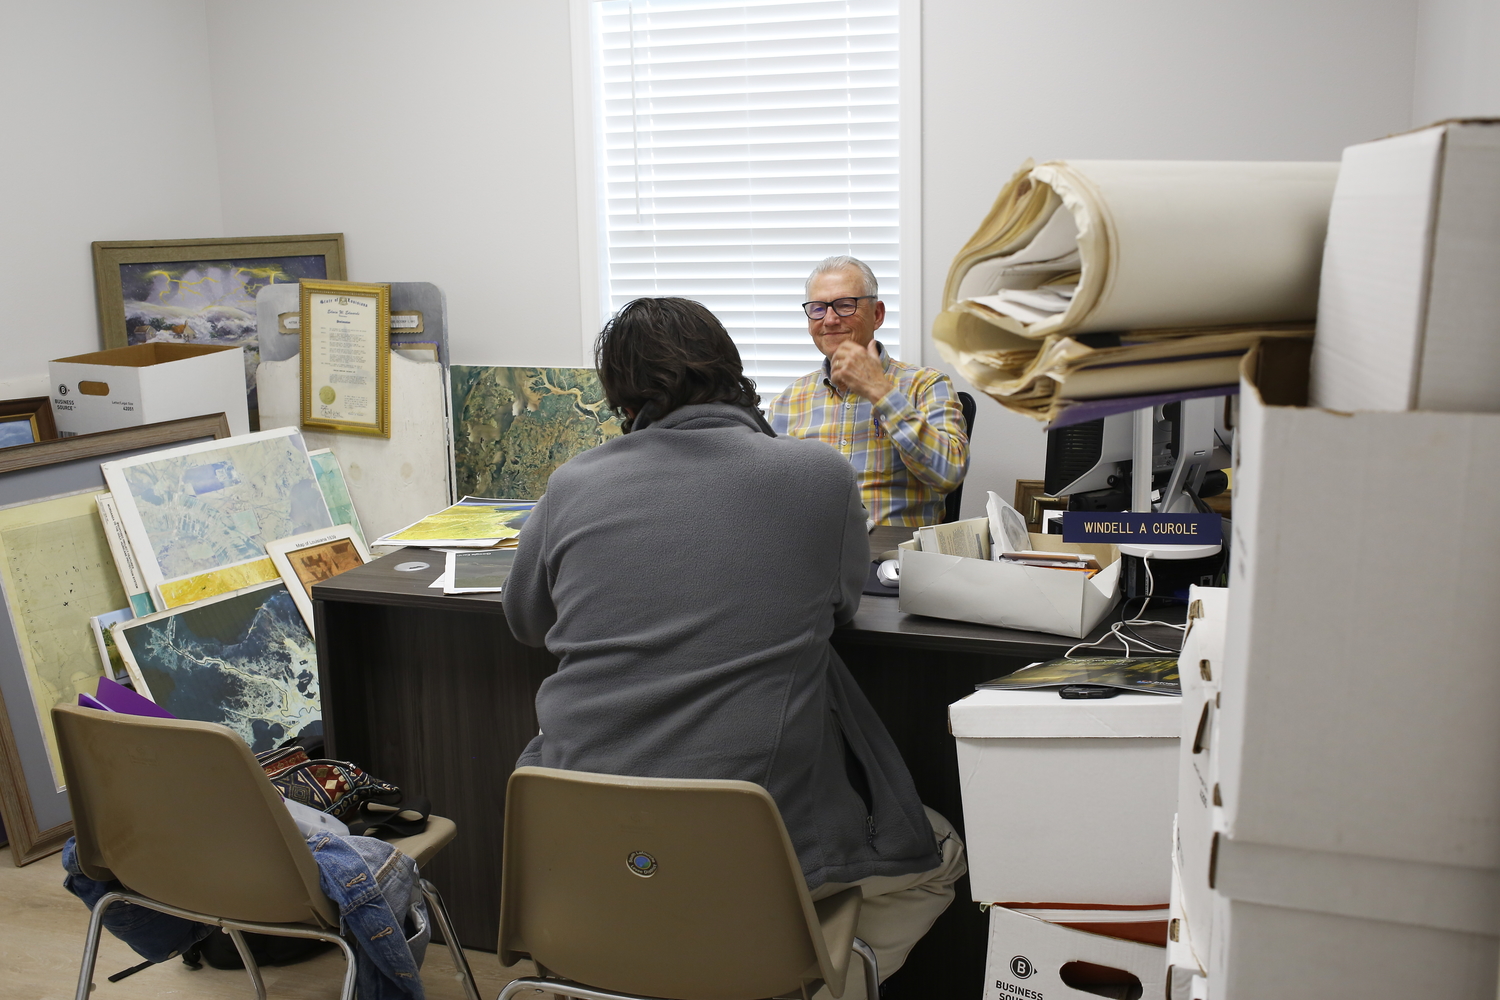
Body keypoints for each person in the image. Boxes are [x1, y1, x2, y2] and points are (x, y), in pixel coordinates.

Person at [503, 297, 965, 996]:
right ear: (730, 367)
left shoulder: (571, 484)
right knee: (941, 857)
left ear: (619, 395)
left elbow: (526, 623)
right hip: (754, 848)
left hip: (578, 854)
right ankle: (796, 981)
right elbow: (841, 604)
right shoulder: (818, 475)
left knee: (655, 868)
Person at [769, 255, 970, 527]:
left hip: (894, 559)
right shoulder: (788, 400)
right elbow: (769, 493)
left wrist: (882, 393)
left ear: (877, 314)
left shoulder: (927, 385)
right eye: (818, 308)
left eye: (844, 305)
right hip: (813, 558)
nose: (829, 320)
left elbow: (949, 474)